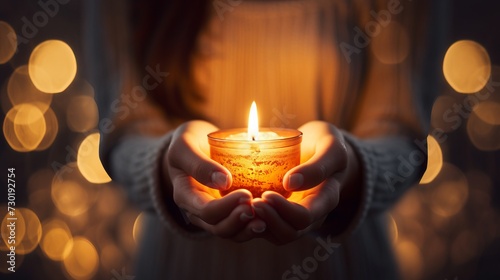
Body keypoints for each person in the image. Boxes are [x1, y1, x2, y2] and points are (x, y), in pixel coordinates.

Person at [87, 0, 444, 279]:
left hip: (344, 265)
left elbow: (405, 134)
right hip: (182, 266)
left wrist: (352, 169)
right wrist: (166, 165)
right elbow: (122, 130)